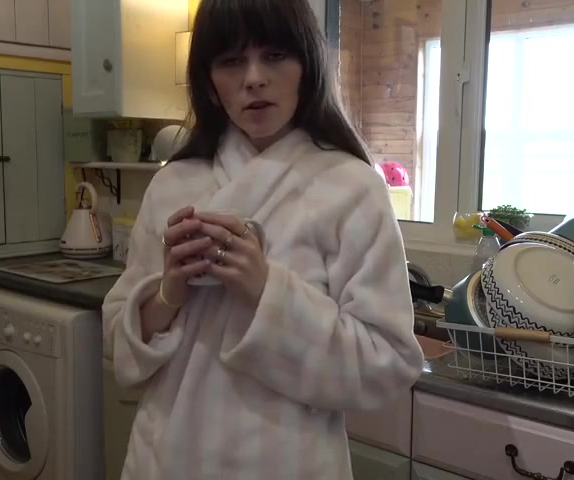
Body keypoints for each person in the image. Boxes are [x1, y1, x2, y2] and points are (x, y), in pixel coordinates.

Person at [102, 0, 425, 478]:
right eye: (231, 61)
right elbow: (117, 346)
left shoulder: (352, 189)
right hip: (166, 459)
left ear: (307, 67)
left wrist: (265, 290)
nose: (253, 78)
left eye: (274, 55)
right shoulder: (173, 185)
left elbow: (387, 363)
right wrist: (168, 291)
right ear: (209, 84)